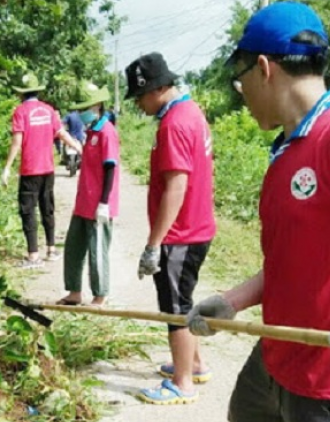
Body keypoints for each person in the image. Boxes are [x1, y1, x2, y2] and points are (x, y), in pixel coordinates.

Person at [185, 3, 330, 420]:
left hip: (328, 380)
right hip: (275, 357)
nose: (242, 94)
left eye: (241, 81)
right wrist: (231, 301)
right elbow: (295, 260)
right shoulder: (286, 151)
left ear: (263, 68)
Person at [124, 52, 216, 404]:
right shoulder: (191, 112)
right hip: (196, 227)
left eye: (139, 96)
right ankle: (193, 363)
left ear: (158, 88)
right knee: (183, 300)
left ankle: (182, 384)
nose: (138, 104)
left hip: (181, 234)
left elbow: (176, 186)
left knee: (174, 308)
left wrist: (153, 244)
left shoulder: (175, 123)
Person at [2, 73, 82, 269]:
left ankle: (33, 256)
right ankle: (51, 249)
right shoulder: (48, 110)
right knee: (48, 208)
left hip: (30, 170)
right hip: (48, 169)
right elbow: (61, 133)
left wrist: (6, 167)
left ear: (22, 94)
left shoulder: (20, 112)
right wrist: (80, 148)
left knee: (28, 211)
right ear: (38, 91)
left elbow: (17, 142)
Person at [56, 82, 120, 307]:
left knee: (97, 251)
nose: (81, 113)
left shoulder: (106, 132)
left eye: (85, 108)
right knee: (73, 248)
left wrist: (104, 202)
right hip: (83, 202)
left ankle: (100, 295)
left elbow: (110, 167)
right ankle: (74, 291)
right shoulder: (90, 131)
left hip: (99, 204)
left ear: (97, 106)